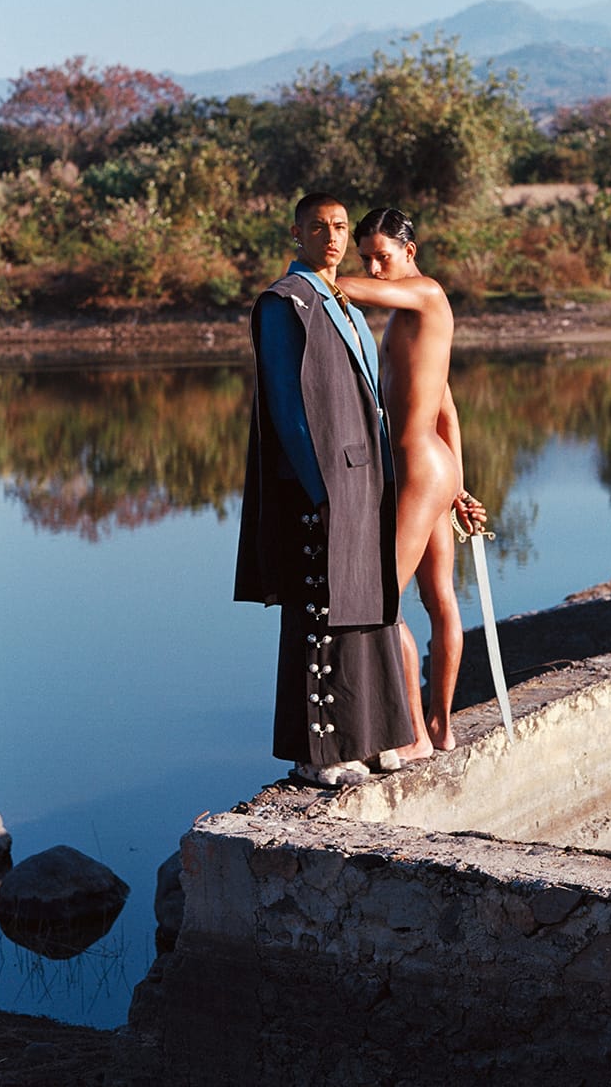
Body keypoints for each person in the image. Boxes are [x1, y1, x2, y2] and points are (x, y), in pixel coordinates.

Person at [234, 193, 413, 786]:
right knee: (323, 609)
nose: (332, 237)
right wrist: (321, 489)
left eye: (339, 227)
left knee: (371, 606)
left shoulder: (347, 304)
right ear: (296, 234)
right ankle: (320, 756)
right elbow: (287, 409)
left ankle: (375, 738)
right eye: (318, 227)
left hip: (366, 477)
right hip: (320, 487)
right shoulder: (283, 303)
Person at [338, 207, 485, 757]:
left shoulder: (426, 294)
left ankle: (417, 736)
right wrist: (459, 486)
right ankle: (441, 728)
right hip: (433, 466)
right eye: (366, 259)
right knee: (438, 598)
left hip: (419, 468)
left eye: (383, 256)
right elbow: (446, 407)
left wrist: (311, 275)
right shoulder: (411, 319)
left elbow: (351, 290)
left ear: (410, 251)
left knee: (380, 601)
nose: (374, 269)